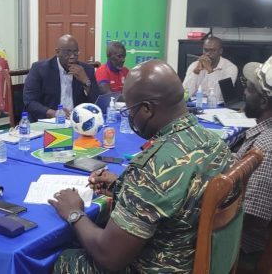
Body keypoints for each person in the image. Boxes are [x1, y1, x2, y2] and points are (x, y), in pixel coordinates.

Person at [49, 59, 235, 273]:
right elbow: (174, 196)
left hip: (158, 267)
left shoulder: (152, 167)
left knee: (61, 258)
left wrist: (74, 213)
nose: (130, 116)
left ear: (147, 109)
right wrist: (123, 185)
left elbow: (109, 257)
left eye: (130, 110)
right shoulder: (214, 141)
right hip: (201, 258)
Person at [236, 56, 272, 269]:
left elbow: (251, 219)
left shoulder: (265, 149)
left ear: (263, 101)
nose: (244, 93)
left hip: (243, 251)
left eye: (249, 89)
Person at [23, 34, 99, 121]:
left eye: (75, 52)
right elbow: (30, 102)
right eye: (68, 52)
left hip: (77, 121)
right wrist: (54, 113)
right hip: (48, 121)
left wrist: (86, 81)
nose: (72, 56)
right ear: (58, 52)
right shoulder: (40, 69)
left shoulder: (86, 70)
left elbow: (96, 102)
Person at [183, 36, 238, 102]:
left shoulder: (230, 68)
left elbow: (218, 96)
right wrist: (196, 72)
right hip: (196, 104)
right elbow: (185, 95)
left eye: (213, 50)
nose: (208, 54)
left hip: (218, 107)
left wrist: (210, 70)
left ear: (220, 51)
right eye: (206, 50)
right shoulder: (194, 65)